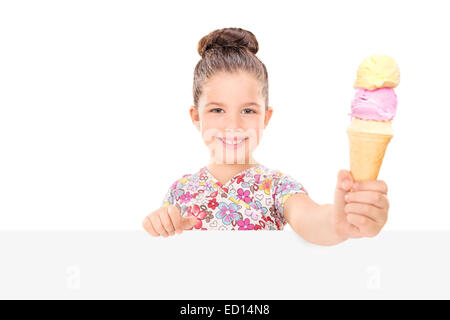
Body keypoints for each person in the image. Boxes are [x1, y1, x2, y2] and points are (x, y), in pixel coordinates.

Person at [142, 27, 389, 246]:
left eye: (248, 111)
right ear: (196, 117)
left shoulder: (277, 188)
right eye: (217, 110)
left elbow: (311, 219)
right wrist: (157, 224)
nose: (234, 125)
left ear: (266, 118)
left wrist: (339, 220)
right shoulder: (180, 191)